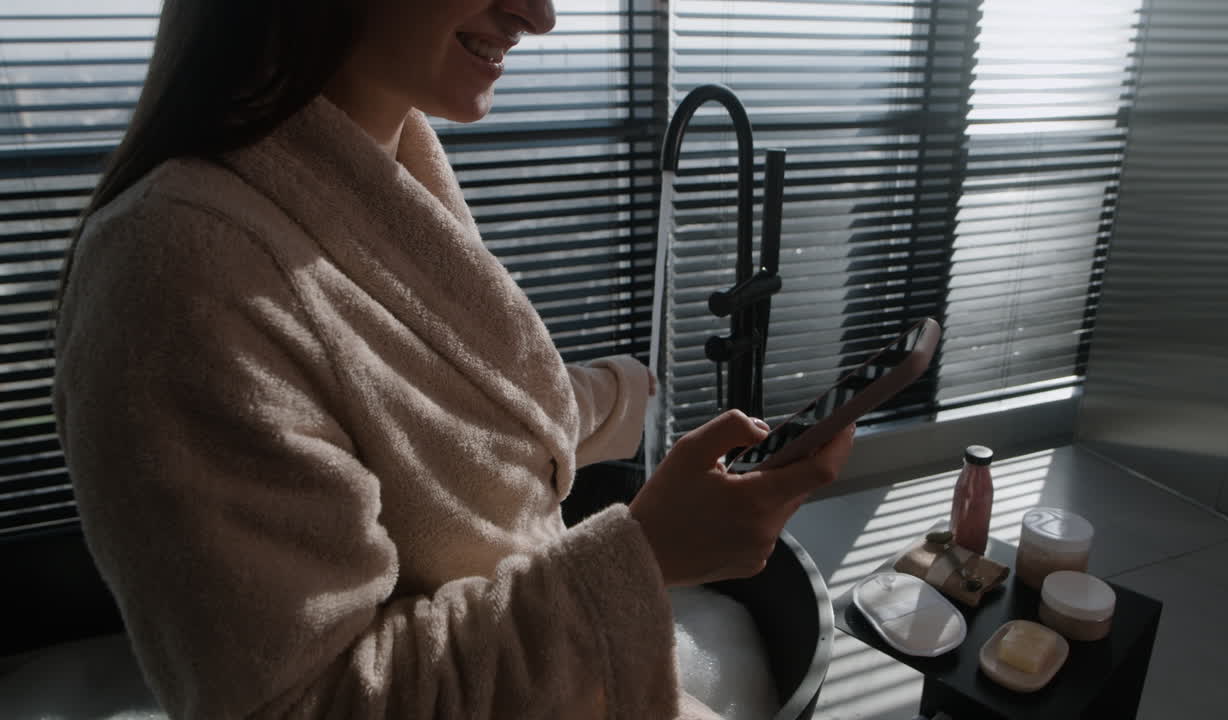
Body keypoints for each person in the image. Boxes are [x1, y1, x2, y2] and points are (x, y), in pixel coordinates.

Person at [52, 0, 856, 718]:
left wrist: (622, 397)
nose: (539, 16)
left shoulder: (383, 163)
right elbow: (302, 702)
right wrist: (642, 561)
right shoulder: (177, 269)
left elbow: (433, 417)